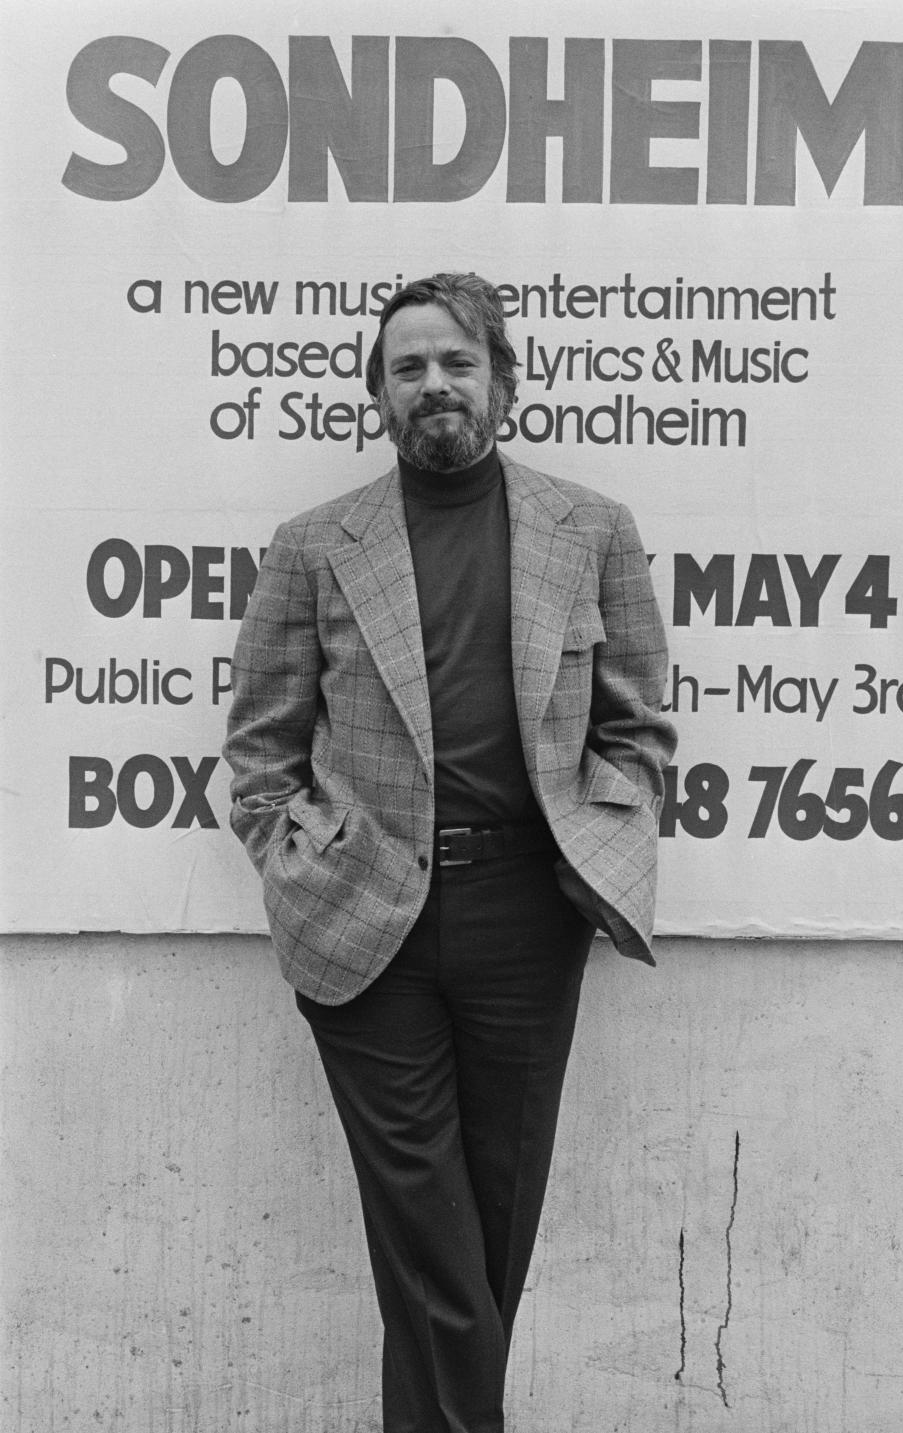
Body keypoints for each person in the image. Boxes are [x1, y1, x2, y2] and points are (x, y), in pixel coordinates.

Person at [223, 272, 676, 1433]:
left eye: (456, 362)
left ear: (503, 383)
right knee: (430, 1230)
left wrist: (603, 840)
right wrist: (299, 863)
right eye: (409, 366)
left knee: (491, 1229)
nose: (434, 384)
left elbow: (637, 728)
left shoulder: (594, 530)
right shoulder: (317, 545)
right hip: (365, 920)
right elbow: (261, 750)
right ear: (377, 393)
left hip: (530, 913)